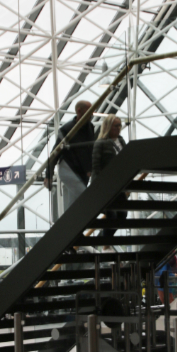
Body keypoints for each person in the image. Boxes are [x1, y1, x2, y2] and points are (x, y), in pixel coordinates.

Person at [44, 100, 95, 219]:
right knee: (84, 197)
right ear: (79, 111)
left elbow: (90, 149)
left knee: (73, 206)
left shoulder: (90, 127)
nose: (92, 114)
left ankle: (69, 231)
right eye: (90, 111)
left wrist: (89, 168)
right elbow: (55, 152)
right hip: (69, 169)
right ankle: (104, 210)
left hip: (82, 172)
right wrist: (49, 175)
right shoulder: (67, 129)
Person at [92, 114, 127, 248]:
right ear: (108, 127)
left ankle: (105, 240)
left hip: (119, 184)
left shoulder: (122, 141)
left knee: (122, 215)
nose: (119, 128)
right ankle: (105, 242)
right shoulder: (100, 143)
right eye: (116, 126)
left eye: (120, 125)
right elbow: (96, 167)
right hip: (105, 186)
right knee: (111, 214)